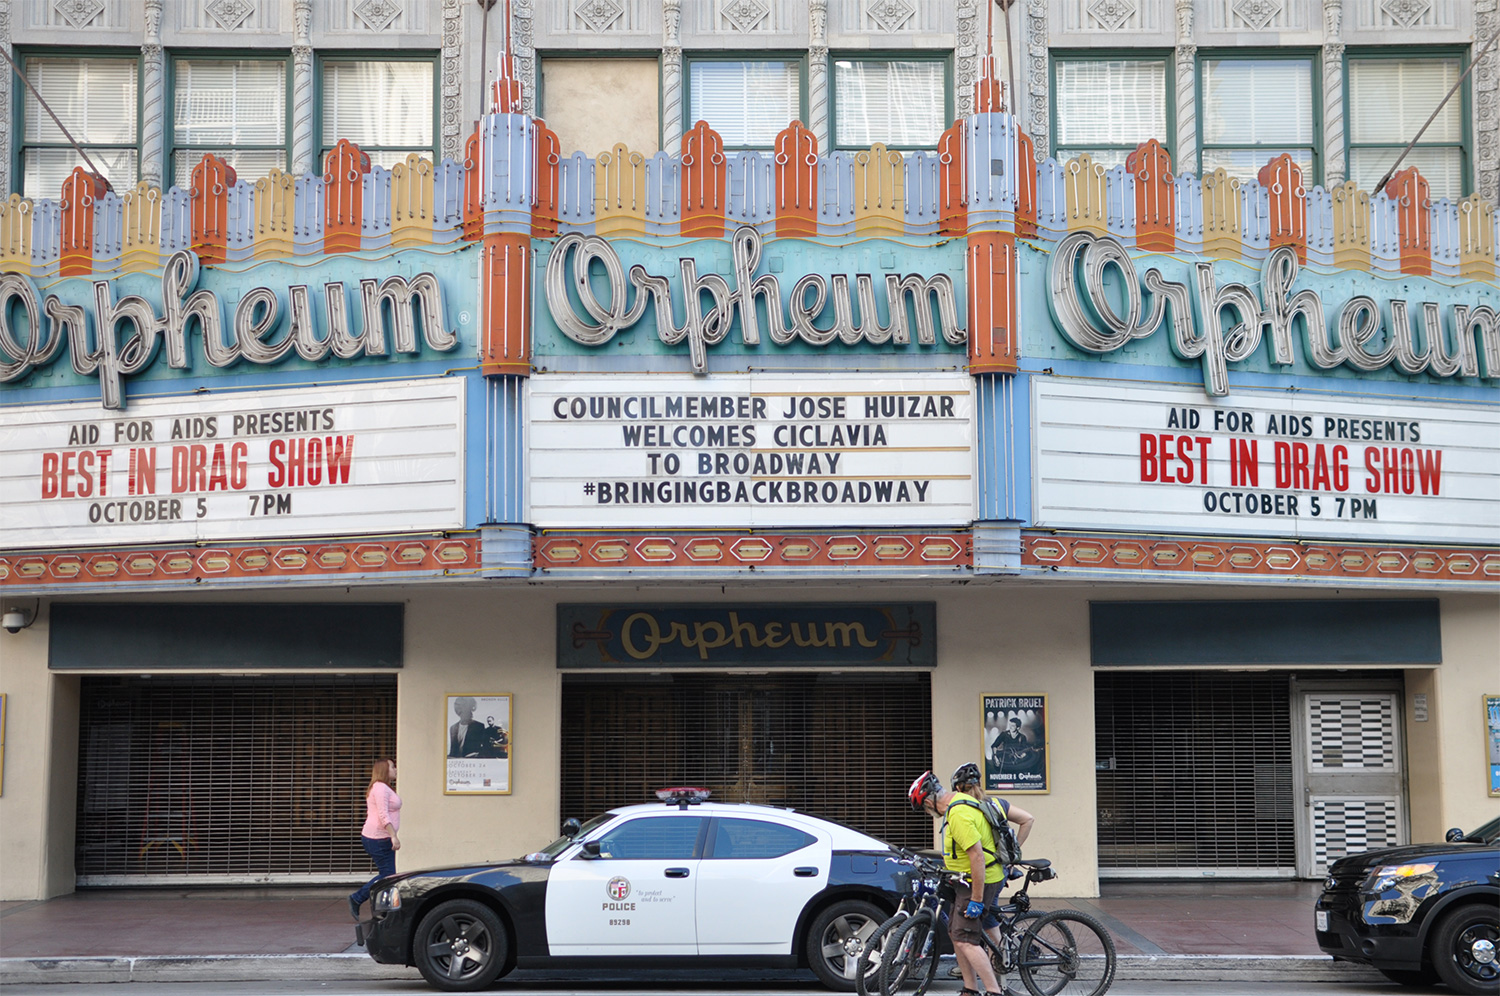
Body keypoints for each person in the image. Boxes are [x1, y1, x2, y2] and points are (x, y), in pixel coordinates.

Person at [908, 764, 1035, 996]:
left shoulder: (958, 814)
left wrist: (976, 899)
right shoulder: (963, 805)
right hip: (966, 879)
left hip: (978, 881)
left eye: (924, 810)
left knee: (967, 939)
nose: (928, 814)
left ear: (927, 802)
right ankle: (970, 989)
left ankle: (994, 991)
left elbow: (976, 856)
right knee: (957, 935)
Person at [348, 758, 401, 919]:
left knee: (389, 876)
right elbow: (383, 815)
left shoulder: (383, 788)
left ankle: (383, 910)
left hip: (380, 838)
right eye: (392, 767)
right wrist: (394, 836)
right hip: (378, 838)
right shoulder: (380, 788)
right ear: (384, 770)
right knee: (388, 875)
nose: (395, 769)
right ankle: (358, 898)